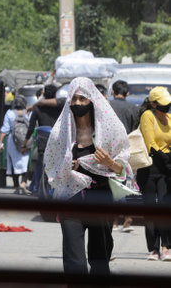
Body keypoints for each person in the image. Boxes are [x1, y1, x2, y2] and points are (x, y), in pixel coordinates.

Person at [44, 77, 137, 275]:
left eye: (82, 99)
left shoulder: (110, 130)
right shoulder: (61, 133)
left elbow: (123, 169)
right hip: (71, 200)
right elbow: (51, 167)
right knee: (74, 262)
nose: (77, 103)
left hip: (100, 199)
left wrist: (109, 163)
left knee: (100, 259)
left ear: (92, 100)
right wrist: (66, 167)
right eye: (74, 99)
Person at [136, 86, 171, 261]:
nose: (167, 107)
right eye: (163, 104)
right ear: (153, 104)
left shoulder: (170, 118)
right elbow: (151, 144)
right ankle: (154, 249)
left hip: (166, 170)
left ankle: (166, 246)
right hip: (149, 168)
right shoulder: (147, 116)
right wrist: (167, 160)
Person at [109, 80, 140, 233]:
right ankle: (126, 216)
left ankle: (115, 220)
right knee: (126, 183)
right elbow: (136, 130)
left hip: (109, 151)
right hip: (126, 151)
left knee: (112, 184)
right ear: (127, 93)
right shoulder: (133, 109)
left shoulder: (107, 106)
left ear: (113, 92)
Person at [22, 85, 61, 194]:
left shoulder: (38, 108)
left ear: (43, 94)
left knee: (40, 164)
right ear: (55, 95)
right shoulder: (60, 107)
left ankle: (36, 188)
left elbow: (31, 128)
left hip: (44, 142)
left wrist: (24, 144)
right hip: (58, 142)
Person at [0, 95, 32, 195]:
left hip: (13, 142)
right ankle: (23, 183)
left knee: (13, 163)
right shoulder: (28, 113)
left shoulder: (9, 113)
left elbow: (5, 129)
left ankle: (16, 186)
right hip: (26, 141)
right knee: (26, 163)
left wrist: (0, 142)